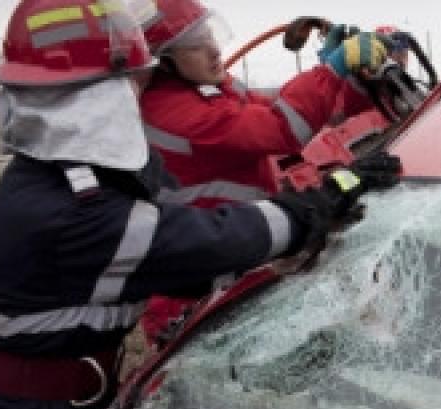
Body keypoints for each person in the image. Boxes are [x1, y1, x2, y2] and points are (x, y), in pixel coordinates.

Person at [0, 0, 401, 409]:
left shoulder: (54, 180)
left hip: (51, 408)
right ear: (95, 98)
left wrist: (338, 86)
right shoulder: (76, 211)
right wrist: (323, 201)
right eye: (133, 81)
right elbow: (207, 242)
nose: (140, 94)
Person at [138, 0, 390, 341]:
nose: (214, 51)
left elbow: (282, 107)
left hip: (235, 262)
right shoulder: (178, 115)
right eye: (196, 45)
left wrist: (348, 81)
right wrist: (332, 70)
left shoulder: (208, 91)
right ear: (163, 60)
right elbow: (283, 127)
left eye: (211, 35)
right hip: (195, 299)